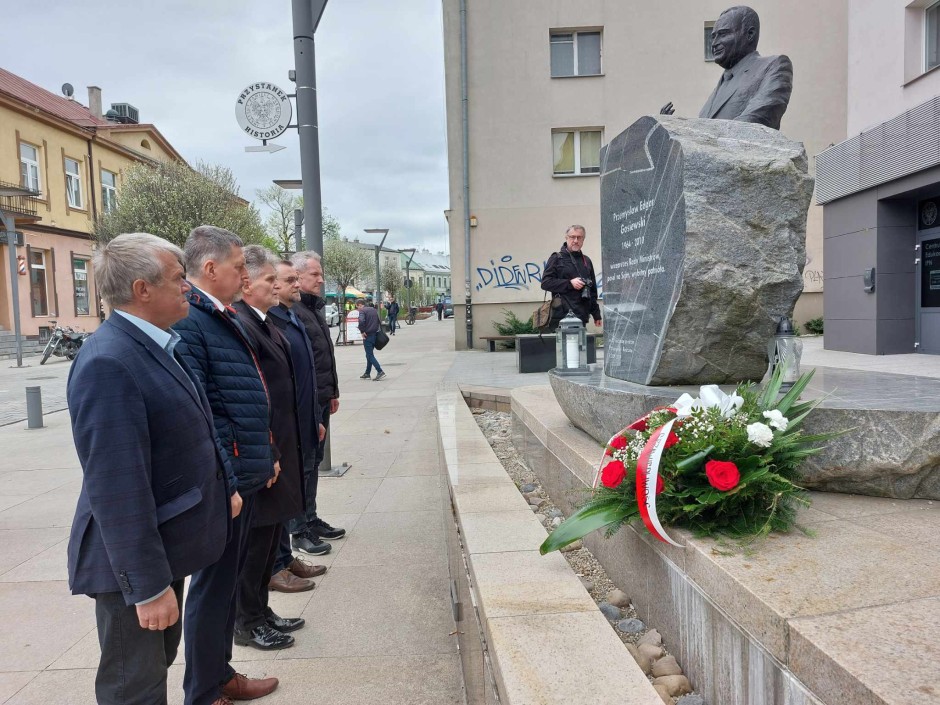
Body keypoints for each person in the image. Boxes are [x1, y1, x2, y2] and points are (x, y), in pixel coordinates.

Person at [67, 233, 230, 705]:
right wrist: (148, 586)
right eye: (179, 278)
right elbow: (115, 485)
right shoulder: (109, 361)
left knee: (151, 673)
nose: (189, 289)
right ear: (142, 289)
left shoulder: (151, 344)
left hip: (161, 549)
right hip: (130, 569)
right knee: (133, 689)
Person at [174, 226, 278, 705]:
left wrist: (266, 453)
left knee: (226, 584)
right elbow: (205, 410)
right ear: (210, 269)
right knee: (213, 588)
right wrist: (232, 480)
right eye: (239, 266)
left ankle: (220, 673)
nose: (245, 274)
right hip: (226, 479)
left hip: (244, 470)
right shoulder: (191, 320)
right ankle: (205, 690)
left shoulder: (219, 313)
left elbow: (243, 391)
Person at [232, 247, 313, 651]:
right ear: (247, 284)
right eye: (269, 281)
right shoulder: (243, 323)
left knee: (269, 540)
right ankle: (247, 621)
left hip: (280, 445)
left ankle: (261, 612)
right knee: (256, 544)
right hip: (265, 452)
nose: (276, 288)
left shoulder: (262, 322)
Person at [265, 261, 329, 592]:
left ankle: (285, 557)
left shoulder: (293, 317)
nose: (294, 286)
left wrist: (314, 417)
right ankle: (278, 562)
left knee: (297, 482)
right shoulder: (267, 322)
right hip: (280, 428)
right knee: (283, 492)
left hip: (302, 418)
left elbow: (311, 367)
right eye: (288, 279)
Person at [283, 251, 346, 551]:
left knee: (314, 461)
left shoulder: (312, 310)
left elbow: (321, 357)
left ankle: (311, 517)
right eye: (315, 274)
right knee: (304, 465)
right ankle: (299, 529)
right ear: (297, 276)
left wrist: (331, 392)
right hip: (305, 404)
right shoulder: (293, 312)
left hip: (320, 399)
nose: (321, 279)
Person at [660, 5, 792, 130]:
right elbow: (703, 131)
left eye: (723, 34)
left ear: (750, 34)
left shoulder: (773, 66)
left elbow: (756, 119)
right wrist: (671, 128)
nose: (714, 43)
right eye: (713, 37)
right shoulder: (721, 85)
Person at [540, 225, 603, 332]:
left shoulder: (586, 261)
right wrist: (570, 283)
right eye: (572, 237)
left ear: (583, 239)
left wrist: (596, 314)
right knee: (564, 348)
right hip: (562, 317)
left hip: (581, 316)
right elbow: (545, 283)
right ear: (566, 238)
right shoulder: (556, 258)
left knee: (581, 348)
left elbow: (592, 291)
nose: (575, 240)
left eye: (579, 237)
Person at [356, 297, 386, 380]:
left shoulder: (362, 311)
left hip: (367, 335)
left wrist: (362, 331)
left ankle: (380, 371)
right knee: (369, 354)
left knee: (369, 355)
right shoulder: (373, 309)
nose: (357, 309)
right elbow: (378, 320)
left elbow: (361, 321)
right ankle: (367, 373)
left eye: (357, 307)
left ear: (360, 305)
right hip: (374, 334)